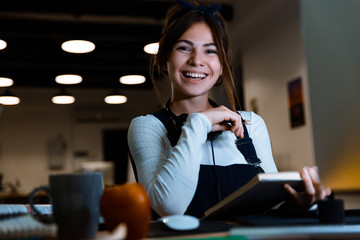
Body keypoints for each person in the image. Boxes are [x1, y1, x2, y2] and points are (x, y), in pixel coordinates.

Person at [127, 0, 331, 218]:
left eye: (210, 51)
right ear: (164, 57)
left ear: (222, 64)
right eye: (184, 48)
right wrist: (198, 124)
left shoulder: (251, 125)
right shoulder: (148, 127)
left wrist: (298, 203)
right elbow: (168, 207)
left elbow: (271, 206)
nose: (197, 61)